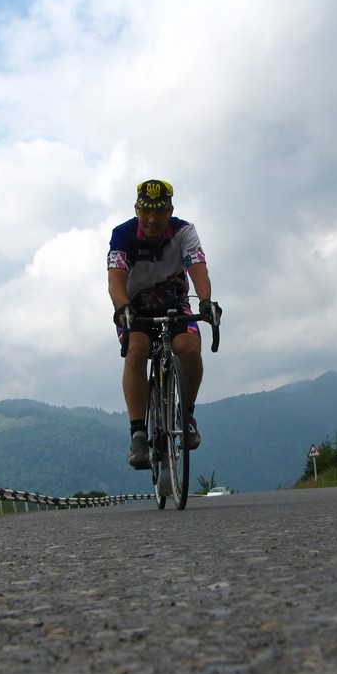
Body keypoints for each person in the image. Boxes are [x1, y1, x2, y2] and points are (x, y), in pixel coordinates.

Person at [107, 179, 221, 469]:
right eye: (146, 211)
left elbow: (198, 268)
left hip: (175, 304)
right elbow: (116, 278)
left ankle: (187, 415)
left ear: (170, 210)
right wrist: (122, 307)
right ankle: (138, 434)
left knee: (189, 348)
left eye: (159, 211)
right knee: (137, 348)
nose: (152, 218)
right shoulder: (122, 234)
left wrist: (205, 301)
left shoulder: (184, 231)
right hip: (135, 308)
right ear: (136, 209)